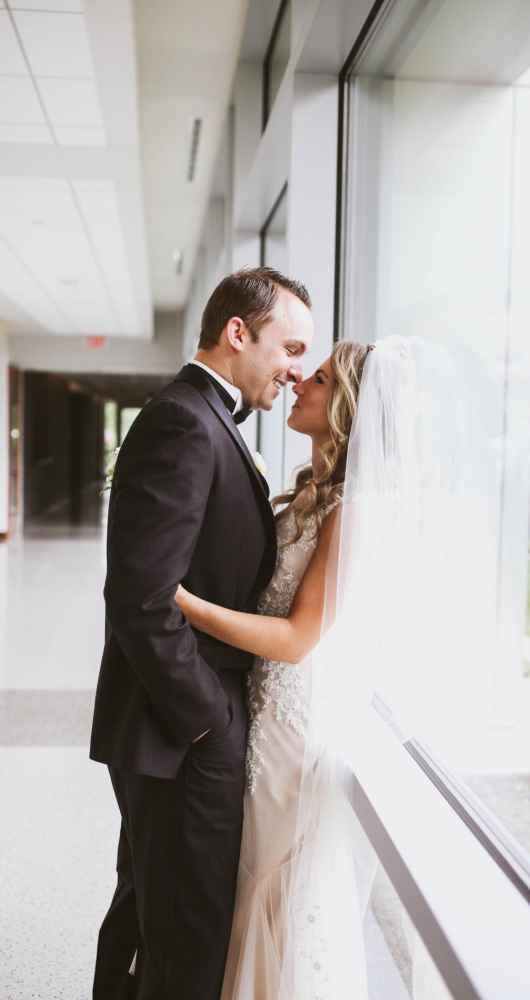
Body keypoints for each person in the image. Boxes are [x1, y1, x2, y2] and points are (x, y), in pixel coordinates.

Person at [90, 266, 314, 1000]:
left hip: (180, 734)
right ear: (237, 332)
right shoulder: (187, 419)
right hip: (179, 735)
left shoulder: (203, 417)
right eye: (290, 346)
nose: (296, 369)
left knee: (155, 914)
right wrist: (207, 723)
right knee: (185, 932)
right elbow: (141, 596)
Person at [175, 340, 376, 999]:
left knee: (270, 877)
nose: (298, 383)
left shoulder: (350, 512)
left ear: (344, 407)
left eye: (316, 379)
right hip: (262, 706)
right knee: (248, 877)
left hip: (293, 721)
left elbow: (296, 639)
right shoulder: (310, 492)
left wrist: (182, 603)